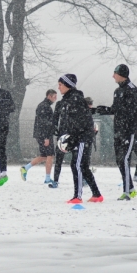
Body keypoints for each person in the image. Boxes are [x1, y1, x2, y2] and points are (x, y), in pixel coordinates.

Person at [96, 64, 137, 201]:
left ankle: (126, 192)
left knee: (125, 159)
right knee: (119, 160)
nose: (112, 76)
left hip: (129, 131)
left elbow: (131, 112)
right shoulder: (117, 91)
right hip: (119, 131)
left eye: (114, 73)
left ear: (121, 74)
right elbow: (116, 109)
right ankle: (132, 189)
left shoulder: (133, 91)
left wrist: (125, 123)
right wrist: (104, 110)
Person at [56, 74, 103, 203]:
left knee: (77, 165)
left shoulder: (75, 99)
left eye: (60, 85)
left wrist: (73, 138)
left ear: (68, 85)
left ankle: (78, 196)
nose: (58, 88)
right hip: (78, 137)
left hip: (82, 137)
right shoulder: (68, 99)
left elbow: (81, 121)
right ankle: (97, 195)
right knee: (83, 167)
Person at [21, 89, 57, 184]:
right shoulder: (45, 107)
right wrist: (46, 137)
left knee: (44, 156)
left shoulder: (43, 106)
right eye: (54, 97)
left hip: (41, 134)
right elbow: (44, 123)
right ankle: (48, 178)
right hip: (44, 135)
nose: (55, 99)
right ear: (49, 96)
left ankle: (25, 168)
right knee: (50, 156)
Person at [48, 95, 65, 189]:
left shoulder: (75, 102)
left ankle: (83, 179)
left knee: (77, 160)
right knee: (59, 159)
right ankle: (55, 180)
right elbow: (55, 117)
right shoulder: (60, 104)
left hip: (73, 134)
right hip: (62, 134)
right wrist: (54, 127)